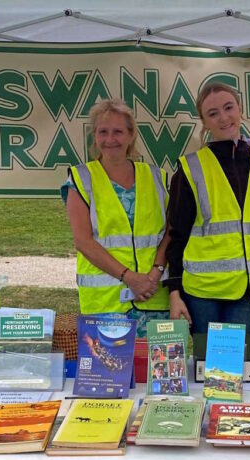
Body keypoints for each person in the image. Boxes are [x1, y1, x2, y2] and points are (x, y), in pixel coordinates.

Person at [165, 82, 250, 334]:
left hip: (246, 290)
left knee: (232, 369)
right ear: (204, 122)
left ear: (241, 110)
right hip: (202, 291)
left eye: (229, 108)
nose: (224, 118)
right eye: (213, 113)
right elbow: (177, 235)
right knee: (206, 366)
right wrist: (174, 291)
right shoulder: (190, 169)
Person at [63, 99, 170, 336]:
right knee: (110, 372)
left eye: (118, 132)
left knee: (155, 371)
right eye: (103, 132)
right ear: (95, 136)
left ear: (131, 135)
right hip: (106, 304)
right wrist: (129, 277)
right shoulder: (81, 179)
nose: (110, 139)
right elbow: (83, 242)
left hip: (154, 298)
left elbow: (169, 231)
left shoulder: (156, 177)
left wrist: (155, 273)